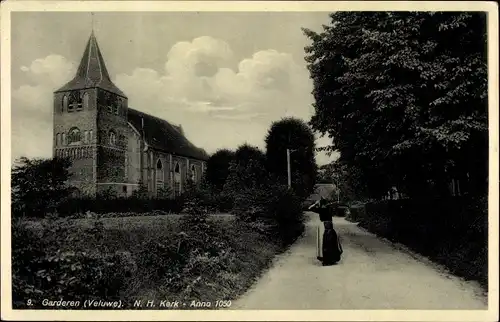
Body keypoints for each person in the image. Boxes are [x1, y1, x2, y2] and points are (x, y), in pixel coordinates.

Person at [308, 196, 343, 266]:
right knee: (331, 242)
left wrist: (315, 204)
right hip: (330, 225)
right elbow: (336, 207)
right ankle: (331, 259)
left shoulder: (320, 209)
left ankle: (325, 258)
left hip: (323, 226)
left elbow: (310, 208)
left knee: (324, 242)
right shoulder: (329, 208)